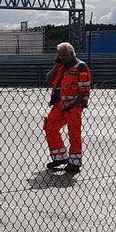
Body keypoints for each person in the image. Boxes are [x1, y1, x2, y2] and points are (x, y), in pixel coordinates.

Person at [44, 42, 91, 174]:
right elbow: (49, 79)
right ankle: (60, 157)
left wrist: (76, 106)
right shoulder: (61, 66)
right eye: (60, 56)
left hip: (74, 105)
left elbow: (85, 89)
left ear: (72, 54)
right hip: (60, 103)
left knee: (74, 133)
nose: (62, 58)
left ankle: (75, 163)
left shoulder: (81, 67)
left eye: (64, 56)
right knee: (49, 125)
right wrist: (56, 65)